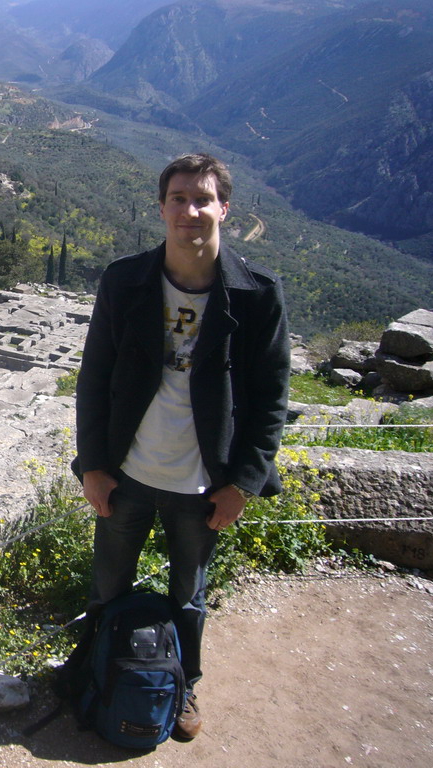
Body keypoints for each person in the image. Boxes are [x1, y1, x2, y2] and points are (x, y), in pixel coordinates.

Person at [74, 153, 289, 742]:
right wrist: (91, 465)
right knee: (107, 586)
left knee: (189, 596)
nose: (189, 211)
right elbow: (94, 377)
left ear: (224, 208)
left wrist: (243, 484)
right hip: (128, 475)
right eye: (178, 199)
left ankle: (184, 683)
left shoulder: (256, 296)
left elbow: (272, 400)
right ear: (162, 207)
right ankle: (95, 672)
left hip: (203, 485)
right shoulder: (126, 280)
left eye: (202, 199)